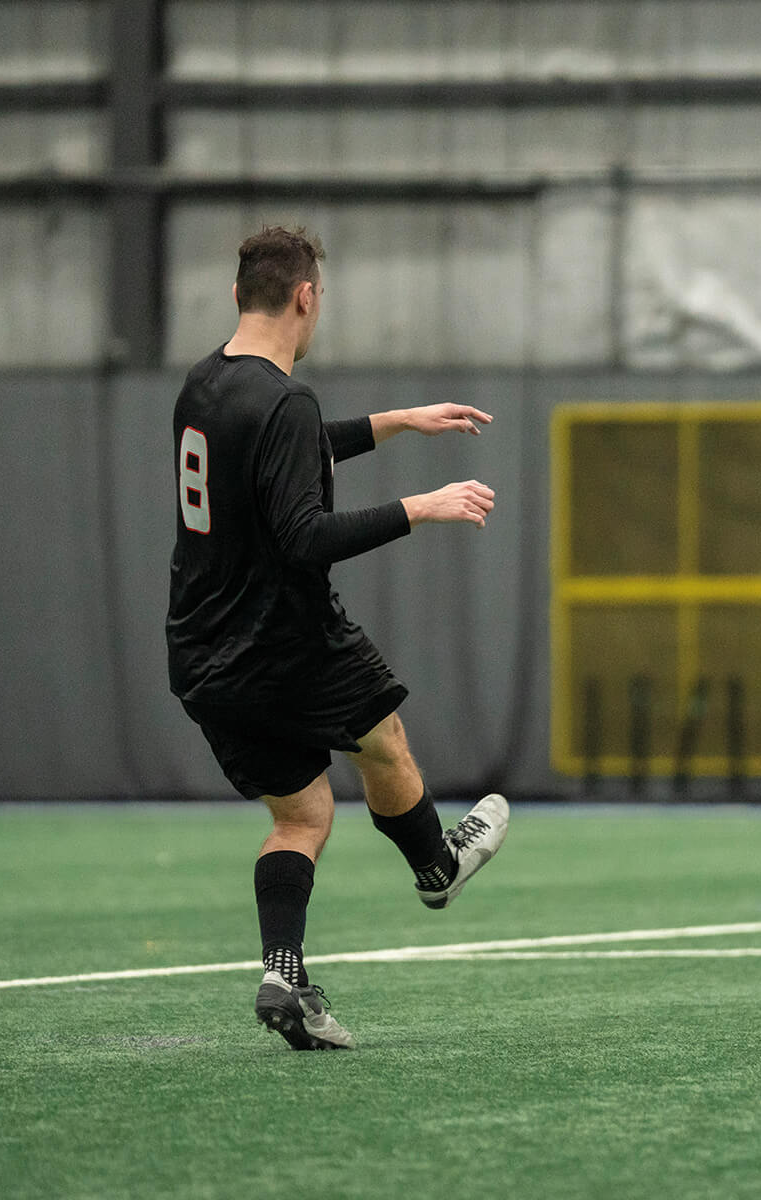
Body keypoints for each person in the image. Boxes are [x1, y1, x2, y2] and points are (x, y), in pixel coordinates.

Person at [166, 226, 510, 1051]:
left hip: (202, 647)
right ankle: (436, 866)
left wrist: (398, 422)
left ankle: (283, 973)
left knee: (303, 815)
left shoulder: (205, 385)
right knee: (382, 735)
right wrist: (420, 506)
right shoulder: (286, 400)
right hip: (283, 640)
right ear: (305, 297)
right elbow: (303, 534)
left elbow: (281, 457)